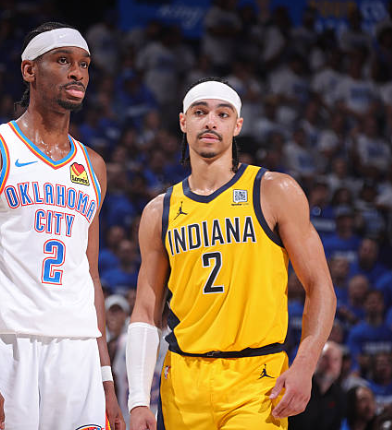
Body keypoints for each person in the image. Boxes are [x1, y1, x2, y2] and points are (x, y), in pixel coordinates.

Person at [0, 22, 124, 430]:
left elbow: (90, 276)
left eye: (84, 64)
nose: (77, 73)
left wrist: (106, 379)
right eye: (63, 61)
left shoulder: (93, 166)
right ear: (29, 70)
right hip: (5, 346)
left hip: (77, 353)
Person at [126, 79, 336, 429]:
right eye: (200, 112)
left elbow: (320, 286)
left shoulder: (274, 190)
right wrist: (137, 400)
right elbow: (145, 311)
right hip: (182, 381)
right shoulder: (159, 211)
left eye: (222, 114)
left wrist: (305, 363)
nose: (211, 121)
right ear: (183, 122)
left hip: (256, 380)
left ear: (237, 126)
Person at [289, 341, 346, 430]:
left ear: (340, 365)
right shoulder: (297, 387)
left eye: (335, 360)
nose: (330, 364)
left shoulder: (340, 396)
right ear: (316, 359)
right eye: (325, 358)